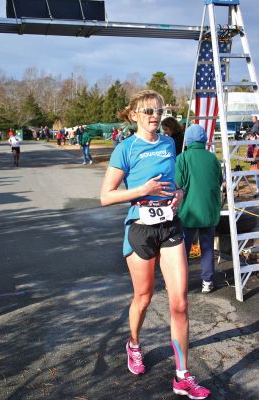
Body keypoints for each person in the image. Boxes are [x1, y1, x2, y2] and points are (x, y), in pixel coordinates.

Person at [100, 90, 211, 399]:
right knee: (144, 298)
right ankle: (133, 344)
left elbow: (174, 184)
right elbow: (106, 196)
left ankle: (182, 376)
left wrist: (179, 194)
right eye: (148, 110)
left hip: (170, 227)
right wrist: (141, 189)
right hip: (139, 230)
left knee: (180, 303)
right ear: (135, 115)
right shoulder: (125, 148)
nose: (154, 115)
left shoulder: (167, 144)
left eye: (159, 110)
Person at [175, 124, 223, 294]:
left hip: (188, 211)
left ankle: (181, 282)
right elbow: (219, 181)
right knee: (207, 246)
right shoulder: (212, 158)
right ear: (204, 139)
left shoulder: (182, 158)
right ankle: (207, 282)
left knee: (183, 248)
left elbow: (177, 183)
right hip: (209, 210)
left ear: (188, 139)